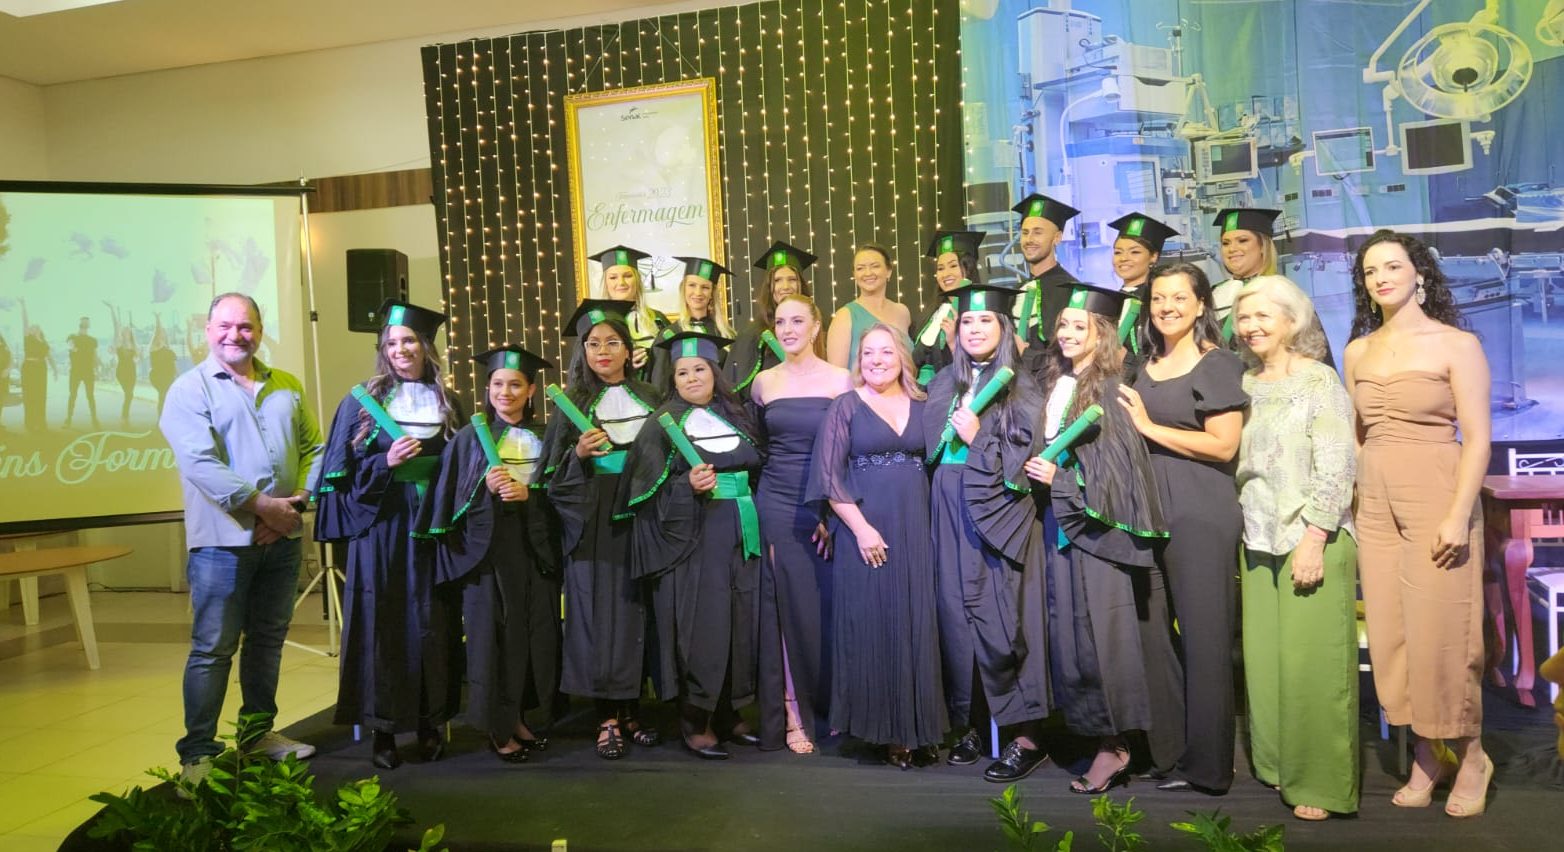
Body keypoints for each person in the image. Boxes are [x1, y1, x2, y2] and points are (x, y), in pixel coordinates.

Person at [1345, 229, 1492, 818]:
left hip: (1436, 488)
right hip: (1376, 500)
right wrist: (1359, 500)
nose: (1381, 278)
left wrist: (1457, 513)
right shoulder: (1357, 351)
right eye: (1370, 271)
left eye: (1392, 266)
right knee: (1392, 633)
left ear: (1419, 275)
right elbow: (1357, 436)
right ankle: (1430, 754)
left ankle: (1472, 754)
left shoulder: (1457, 344)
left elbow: (1477, 437)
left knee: (1444, 631)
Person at [158, 292, 323, 789]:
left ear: (260, 329)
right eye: (226, 326)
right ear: (208, 330)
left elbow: (315, 449)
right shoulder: (189, 390)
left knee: (267, 641)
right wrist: (264, 507)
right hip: (221, 544)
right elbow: (200, 464)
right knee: (213, 648)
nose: (236, 335)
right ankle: (198, 754)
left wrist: (295, 505)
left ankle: (256, 735)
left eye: (246, 326)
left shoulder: (287, 385)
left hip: (282, 536)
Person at [1024, 283, 1178, 795]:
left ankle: (1116, 746)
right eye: (1063, 325)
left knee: (1103, 641)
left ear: (1102, 334)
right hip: (1060, 526)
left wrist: (1062, 481)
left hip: (1096, 534)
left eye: (1079, 326)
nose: (1067, 334)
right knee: (1074, 640)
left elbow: (1118, 470)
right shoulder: (1059, 383)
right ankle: (1096, 739)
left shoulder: (1111, 389)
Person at [315, 300, 465, 769]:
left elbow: (464, 466)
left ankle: (429, 722)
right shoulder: (362, 402)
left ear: (426, 346)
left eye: (409, 341)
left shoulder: (449, 403)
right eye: (392, 343)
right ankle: (383, 730)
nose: (401, 349)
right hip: (381, 527)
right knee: (382, 623)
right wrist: (386, 462)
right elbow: (339, 474)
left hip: (432, 526)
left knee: (433, 622)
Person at [1232, 275, 1360, 820]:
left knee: (1314, 666)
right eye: (1244, 317)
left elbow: (1338, 464)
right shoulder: (1242, 383)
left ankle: (1321, 783)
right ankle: (1278, 765)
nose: (1251, 326)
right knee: (1266, 666)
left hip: (1312, 537)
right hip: (1256, 539)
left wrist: (1314, 537)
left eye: (1263, 315)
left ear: (1293, 321)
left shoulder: (1319, 380)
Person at [1120, 262, 1249, 794]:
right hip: (1145, 509)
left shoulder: (1217, 363)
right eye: (1158, 298)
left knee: (1205, 639)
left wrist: (1148, 427)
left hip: (1199, 508)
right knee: (1150, 634)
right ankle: (1170, 754)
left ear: (1200, 305)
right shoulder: (1143, 363)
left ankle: (1209, 768)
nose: (1166, 307)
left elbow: (1224, 444)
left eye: (1178, 297)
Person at [924, 283, 1052, 781]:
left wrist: (979, 440)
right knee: (956, 615)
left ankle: (1025, 734)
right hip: (948, 503)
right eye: (967, 322)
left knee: (1000, 616)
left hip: (999, 509)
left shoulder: (1023, 386)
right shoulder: (944, 382)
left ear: (1004, 328)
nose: (974, 329)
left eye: (985, 321)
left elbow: (1026, 458)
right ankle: (973, 723)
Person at [622, 330, 765, 760]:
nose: (691, 378)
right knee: (705, 625)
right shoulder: (662, 423)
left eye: (699, 369)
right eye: (682, 372)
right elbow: (641, 492)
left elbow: (758, 467)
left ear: (714, 372)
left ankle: (727, 709)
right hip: (696, 537)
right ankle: (694, 717)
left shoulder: (735, 415)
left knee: (739, 620)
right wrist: (686, 486)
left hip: (741, 529)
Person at [808, 324, 946, 768]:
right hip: (865, 531)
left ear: (902, 357)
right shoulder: (846, 406)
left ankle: (917, 727)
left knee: (915, 622)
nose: (876, 360)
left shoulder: (924, 404)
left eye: (885, 352)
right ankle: (887, 732)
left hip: (916, 527)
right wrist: (861, 529)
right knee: (875, 625)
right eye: (868, 353)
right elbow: (828, 477)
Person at [421, 346, 561, 764]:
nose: (505, 392)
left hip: (532, 546)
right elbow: (450, 499)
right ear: (488, 387)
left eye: (515, 385)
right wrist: (485, 491)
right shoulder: (470, 437)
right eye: (498, 384)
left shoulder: (545, 436)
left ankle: (517, 716)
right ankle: (497, 728)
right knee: (493, 639)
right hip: (488, 554)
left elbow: (562, 492)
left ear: (531, 390)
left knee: (528, 636)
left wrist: (529, 494)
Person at [538, 299, 663, 760]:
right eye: (594, 344)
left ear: (629, 350)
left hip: (640, 515)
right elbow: (549, 476)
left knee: (635, 613)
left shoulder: (651, 397)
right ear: (584, 352)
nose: (603, 351)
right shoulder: (571, 404)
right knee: (596, 615)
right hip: (591, 522)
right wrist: (579, 457)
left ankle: (631, 710)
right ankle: (605, 716)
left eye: (612, 342)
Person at [750, 295, 853, 754]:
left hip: (827, 504)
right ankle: (792, 713)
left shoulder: (841, 379)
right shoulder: (763, 383)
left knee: (825, 610)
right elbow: (758, 448)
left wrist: (830, 511)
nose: (788, 329)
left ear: (815, 327)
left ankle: (832, 708)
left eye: (797, 321)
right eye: (781, 322)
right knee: (786, 610)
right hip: (776, 503)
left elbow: (846, 451)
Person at [1209, 209, 1334, 367]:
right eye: (1226, 243)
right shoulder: (1212, 294)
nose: (1232, 249)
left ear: (1263, 246)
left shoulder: (1286, 295)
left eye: (1242, 240)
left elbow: (1314, 356)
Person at [727, 241, 819, 394]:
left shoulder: (818, 325)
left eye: (792, 279)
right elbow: (742, 392)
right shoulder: (753, 333)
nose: (785, 286)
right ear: (769, 287)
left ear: (801, 284)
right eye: (777, 280)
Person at [1009, 193, 1081, 361]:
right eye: (1025, 232)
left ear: (1057, 238)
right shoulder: (1015, 291)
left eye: (1038, 232)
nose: (1029, 239)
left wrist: (1028, 356)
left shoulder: (1071, 291)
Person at [912, 230, 984, 387]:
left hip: (958, 389)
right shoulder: (933, 312)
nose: (946, 274)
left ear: (969, 268)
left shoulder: (982, 310)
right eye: (940, 268)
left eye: (953, 266)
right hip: (923, 392)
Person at [1105, 213, 1178, 365]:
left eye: (1135, 252)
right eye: (1118, 252)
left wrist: (1126, 359)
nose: (1123, 258)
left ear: (1154, 256)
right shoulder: (1109, 300)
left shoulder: (1158, 303)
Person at [591, 246, 670, 385]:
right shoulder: (597, 322)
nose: (621, 283)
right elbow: (586, 371)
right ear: (606, 283)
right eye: (613, 277)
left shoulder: (658, 319)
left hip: (657, 394)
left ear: (637, 280)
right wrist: (621, 366)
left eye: (627, 276)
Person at [825, 243, 912, 370]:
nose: (868, 273)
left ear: (889, 271)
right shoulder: (844, 316)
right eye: (860, 268)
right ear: (854, 274)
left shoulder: (902, 312)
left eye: (875, 266)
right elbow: (836, 374)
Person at [669, 256, 737, 338]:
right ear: (683, 289)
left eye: (705, 287)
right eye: (692, 285)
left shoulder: (726, 335)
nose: (698, 293)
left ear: (712, 293)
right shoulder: (669, 335)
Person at [19, 299, 55, 432]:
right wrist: (23, 305)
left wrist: (55, 370)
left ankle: (41, 421)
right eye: (32, 327)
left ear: (39, 329)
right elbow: (25, 321)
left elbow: (49, 357)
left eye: (36, 327)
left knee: (41, 395)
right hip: (29, 367)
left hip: (41, 368)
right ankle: (30, 423)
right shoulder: (28, 338)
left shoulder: (44, 342)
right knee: (29, 395)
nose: (33, 328)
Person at [106, 303, 140, 425]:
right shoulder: (119, 343)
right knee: (128, 393)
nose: (126, 332)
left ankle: (125, 414)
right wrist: (112, 309)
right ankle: (124, 416)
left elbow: (137, 357)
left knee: (130, 395)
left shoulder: (134, 345)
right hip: (121, 372)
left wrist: (137, 358)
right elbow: (116, 326)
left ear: (130, 333)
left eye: (127, 330)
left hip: (132, 371)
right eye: (124, 330)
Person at [65, 315, 100, 429]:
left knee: (90, 395)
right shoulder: (72, 337)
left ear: (89, 325)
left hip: (88, 371)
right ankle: (68, 419)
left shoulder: (93, 340)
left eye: (87, 322)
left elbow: (95, 355)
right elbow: (70, 346)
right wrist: (73, 348)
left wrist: (96, 369)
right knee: (72, 395)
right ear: (80, 323)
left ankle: (94, 419)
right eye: (83, 322)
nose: (85, 324)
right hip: (75, 370)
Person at [149, 315, 178, 413]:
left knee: (167, 396)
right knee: (163, 395)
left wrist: (178, 375)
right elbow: (157, 331)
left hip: (169, 376)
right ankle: (161, 417)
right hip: (158, 376)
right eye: (161, 332)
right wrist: (158, 319)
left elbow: (174, 364)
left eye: (164, 332)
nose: (162, 334)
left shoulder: (168, 349)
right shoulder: (154, 347)